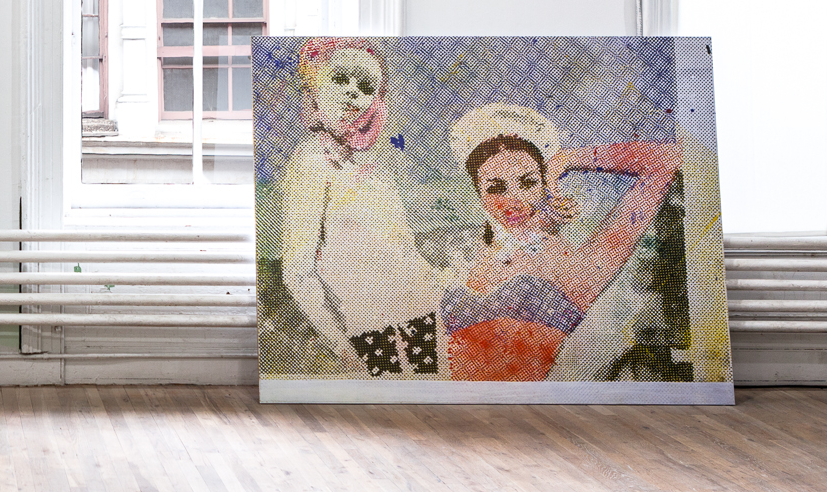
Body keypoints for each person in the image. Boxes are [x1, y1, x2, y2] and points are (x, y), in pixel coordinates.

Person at [442, 104, 681, 381]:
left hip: (515, 404)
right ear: (479, 194)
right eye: (496, 188)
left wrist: (569, 159)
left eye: (528, 183)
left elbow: (667, 159)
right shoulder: (471, 252)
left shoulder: (578, 268)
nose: (513, 200)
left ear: (546, 184)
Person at [279, 38, 458, 377]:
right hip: (366, 326)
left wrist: (446, 282)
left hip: (421, 314)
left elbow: (404, 253)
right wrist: (340, 344)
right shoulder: (311, 163)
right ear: (315, 88)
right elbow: (297, 270)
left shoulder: (373, 170)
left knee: (432, 406)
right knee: (385, 417)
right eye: (340, 79)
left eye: (364, 87)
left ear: (374, 103)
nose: (351, 92)